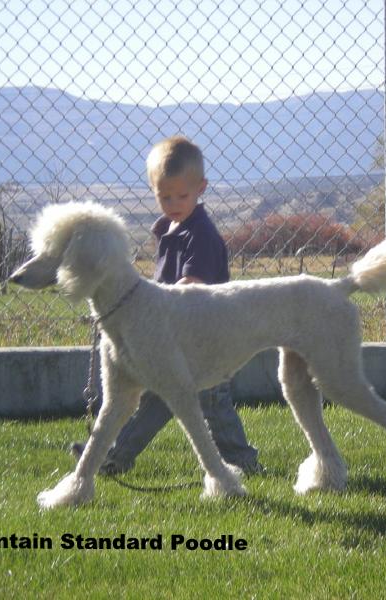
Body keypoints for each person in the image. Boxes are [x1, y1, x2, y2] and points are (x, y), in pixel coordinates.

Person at [71, 135, 262, 475]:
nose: (173, 203)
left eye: (182, 195)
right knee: (155, 400)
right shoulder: (169, 228)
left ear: (201, 188)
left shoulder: (200, 234)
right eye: (164, 196)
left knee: (213, 402)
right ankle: (115, 455)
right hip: (169, 339)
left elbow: (191, 288)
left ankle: (241, 461)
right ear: (153, 189)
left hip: (204, 339)